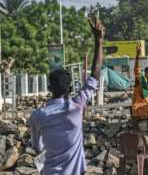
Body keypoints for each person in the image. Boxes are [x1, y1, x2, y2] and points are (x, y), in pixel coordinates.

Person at [30, 17, 104, 175]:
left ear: (49, 88)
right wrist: (98, 40)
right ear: (70, 88)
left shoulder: (37, 116)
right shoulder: (76, 107)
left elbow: (37, 147)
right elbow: (96, 73)